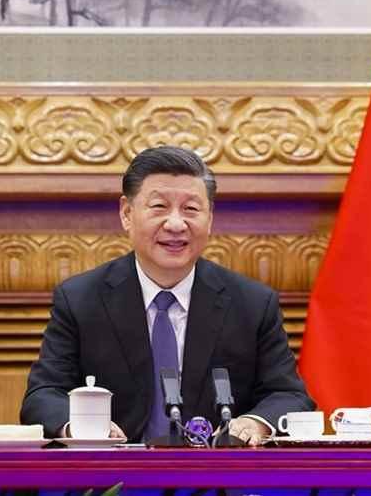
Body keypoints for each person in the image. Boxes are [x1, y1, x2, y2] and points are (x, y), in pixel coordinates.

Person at [20, 145, 314, 444]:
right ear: (126, 213)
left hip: (217, 470)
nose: (175, 224)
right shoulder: (80, 299)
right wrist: (82, 427)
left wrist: (254, 423)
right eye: (159, 206)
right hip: (113, 469)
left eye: (191, 209)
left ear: (210, 218)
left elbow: (288, 395)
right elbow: (43, 396)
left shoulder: (252, 304)